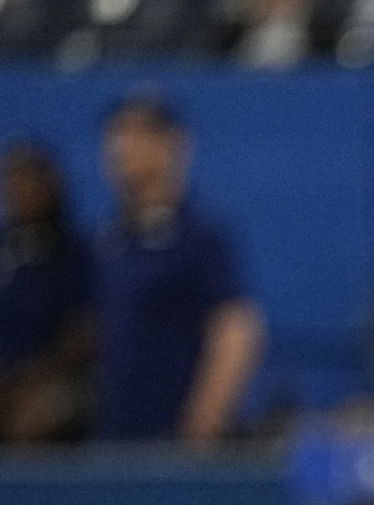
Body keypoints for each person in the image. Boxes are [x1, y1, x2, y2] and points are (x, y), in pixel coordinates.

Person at [94, 95, 265, 444]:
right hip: (116, 434)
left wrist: (207, 415)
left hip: (175, 438)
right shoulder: (109, 240)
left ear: (174, 145)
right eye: (117, 136)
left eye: (139, 135)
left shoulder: (199, 239)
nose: (123, 148)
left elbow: (236, 329)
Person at [0, 141, 92, 443]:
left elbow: (84, 332)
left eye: (29, 180)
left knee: (40, 413)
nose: (20, 190)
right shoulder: (7, 248)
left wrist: (33, 377)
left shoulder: (75, 253)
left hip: (54, 379)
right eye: (12, 181)